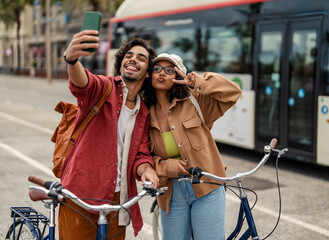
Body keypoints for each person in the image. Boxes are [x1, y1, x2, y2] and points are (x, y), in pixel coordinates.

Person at [59, 30, 159, 239]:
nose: (133, 59)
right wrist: (72, 59)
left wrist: (147, 170)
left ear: (148, 72)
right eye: (128, 56)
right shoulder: (104, 88)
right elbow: (83, 82)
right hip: (82, 191)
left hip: (118, 198)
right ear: (121, 63)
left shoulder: (143, 112)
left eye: (141, 58)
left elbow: (140, 155)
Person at [142, 53, 242, 240]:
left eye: (169, 70)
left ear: (179, 76)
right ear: (150, 75)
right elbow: (142, 158)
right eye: (157, 69)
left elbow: (233, 92)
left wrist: (198, 82)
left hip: (207, 187)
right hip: (171, 193)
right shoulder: (143, 113)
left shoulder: (195, 101)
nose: (162, 73)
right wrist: (169, 167)